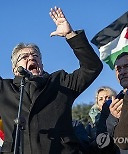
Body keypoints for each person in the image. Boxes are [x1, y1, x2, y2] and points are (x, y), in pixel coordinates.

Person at [0, 6, 102, 154]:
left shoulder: (60, 82)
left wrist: (70, 35)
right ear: (15, 69)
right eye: (24, 57)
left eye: (35, 55)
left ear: (41, 64)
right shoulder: (4, 90)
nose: (31, 57)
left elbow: (92, 67)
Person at [97, 53, 128, 154]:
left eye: (127, 66)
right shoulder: (109, 105)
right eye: (118, 69)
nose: (122, 72)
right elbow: (101, 143)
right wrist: (114, 118)